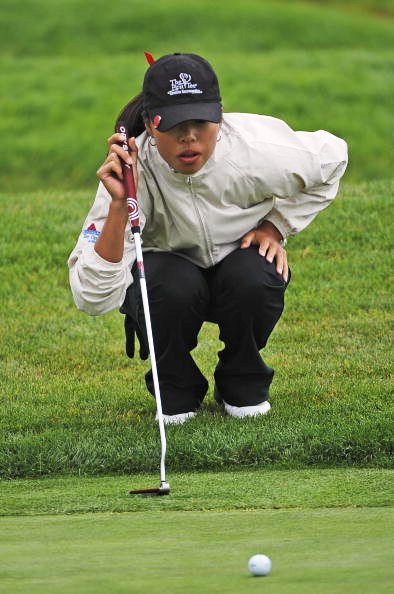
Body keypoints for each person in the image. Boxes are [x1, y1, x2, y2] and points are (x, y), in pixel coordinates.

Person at [68, 52, 348, 424]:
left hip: (238, 266)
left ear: (220, 115)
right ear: (150, 127)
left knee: (255, 275)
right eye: (173, 125)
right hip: (169, 279)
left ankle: (242, 379)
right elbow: (92, 298)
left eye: (201, 121)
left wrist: (275, 225)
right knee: (165, 283)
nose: (189, 137)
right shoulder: (131, 173)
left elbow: (333, 159)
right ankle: (175, 387)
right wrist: (121, 205)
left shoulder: (257, 149)